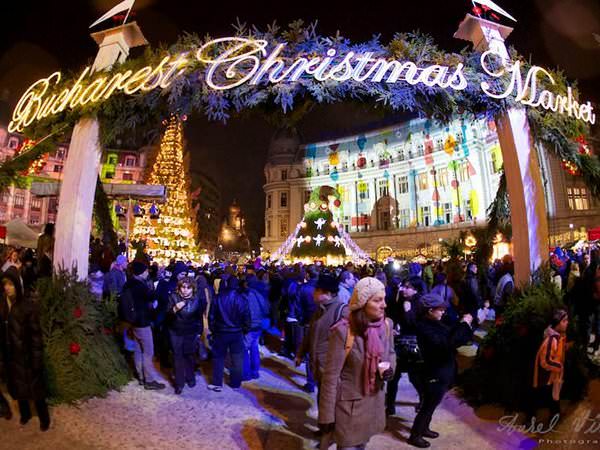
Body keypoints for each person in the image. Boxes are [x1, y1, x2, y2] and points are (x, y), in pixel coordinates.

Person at [318, 277, 395, 450]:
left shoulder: (386, 326)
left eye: (384, 299)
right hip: (349, 409)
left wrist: (390, 368)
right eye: (377, 300)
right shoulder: (343, 331)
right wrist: (327, 417)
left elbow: (390, 353)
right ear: (362, 304)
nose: (384, 305)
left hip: (373, 403)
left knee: (363, 445)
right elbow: (330, 377)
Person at [408, 293, 473, 448]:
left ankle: (424, 429)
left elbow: (452, 335)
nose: (443, 312)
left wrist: (464, 324)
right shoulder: (424, 327)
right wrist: (464, 325)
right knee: (428, 404)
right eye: (440, 309)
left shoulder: (436, 323)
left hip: (442, 370)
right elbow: (447, 343)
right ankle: (415, 435)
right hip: (433, 372)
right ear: (430, 311)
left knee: (433, 402)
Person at [0, 267, 50, 431]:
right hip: (12, 357)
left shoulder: (27, 307)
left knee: (36, 391)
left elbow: (36, 337)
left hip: (27, 357)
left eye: (10, 284)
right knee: (19, 389)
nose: (7, 288)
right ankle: (25, 414)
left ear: (17, 285)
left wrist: (36, 360)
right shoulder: (4, 306)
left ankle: (44, 418)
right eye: (5, 284)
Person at [295, 273, 345, 400]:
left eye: (317, 290)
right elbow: (310, 334)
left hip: (331, 369)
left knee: (329, 404)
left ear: (327, 293)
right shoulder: (320, 310)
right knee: (322, 400)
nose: (313, 293)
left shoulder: (341, 311)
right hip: (318, 367)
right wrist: (300, 353)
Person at [119, 261, 165, 390]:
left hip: (132, 322)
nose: (147, 272)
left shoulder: (128, 284)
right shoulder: (140, 286)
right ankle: (149, 380)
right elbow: (152, 297)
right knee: (148, 351)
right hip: (142, 322)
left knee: (138, 350)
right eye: (145, 271)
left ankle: (141, 377)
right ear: (141, 272)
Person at [386, 279, 425, 416]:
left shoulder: (419, 303)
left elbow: (416, 326)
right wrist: (394, 329)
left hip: (412, 346)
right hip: (399, 343)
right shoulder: (400, 300)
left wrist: (408, 311)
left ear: (416, 290)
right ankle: (390, 405)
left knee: (414, 376)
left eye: (407, 287)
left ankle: (423, 399)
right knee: (394, 376)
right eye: (403, 286)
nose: (403, 289)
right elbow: (394, 317)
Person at [208, 276, 250, 391]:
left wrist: (213, 329)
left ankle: (217, 382)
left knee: (218, 357)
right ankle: (235, 382)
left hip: (221, 332)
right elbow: (246, 317)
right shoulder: (242, 299)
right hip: (236, 332)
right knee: (237, 358)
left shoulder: (218, 297)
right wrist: (245, 330)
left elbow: (211, 316)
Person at [166, 276, 206, 394]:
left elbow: (199, 318)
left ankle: (190, 377)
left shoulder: (198, 299)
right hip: (176, 331)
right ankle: (179, 383)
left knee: (189, 356)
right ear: (179, 288)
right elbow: (166, 317)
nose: (185, 290)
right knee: (177, 357)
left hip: (190, 332)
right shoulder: (173, 297)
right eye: (183, 287)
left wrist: (199, 333)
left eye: (188, 288)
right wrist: (174, 309)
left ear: (193, 289)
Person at [530, 309, 569, 426]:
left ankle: (554, 415)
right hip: (546, 376)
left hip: (552, 375)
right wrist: (559, 366)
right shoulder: (551, 340)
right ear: (557, 323)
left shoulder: (559, 337)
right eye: (565, 320)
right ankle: (531, 419)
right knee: (542, 396)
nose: (567, 323)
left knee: (552, 395)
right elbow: (545, 360)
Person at [241, 276, 270, 381]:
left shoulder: (246, 295)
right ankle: (255, 371)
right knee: (254, 347)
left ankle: (246, 373)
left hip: (250, 326)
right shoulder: (259, 295)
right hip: (258, 325)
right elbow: (266, 309)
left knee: (244, 349)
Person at [296, 266, 319, 392]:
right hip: (323, 325)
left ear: (308, 275)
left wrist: (302, 319)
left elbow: (298, 307)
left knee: (310, 353)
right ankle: (319, 379)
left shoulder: (303, 288)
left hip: (308, 323)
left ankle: (310, 382)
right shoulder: (324, 288)